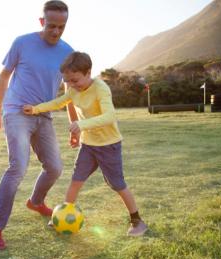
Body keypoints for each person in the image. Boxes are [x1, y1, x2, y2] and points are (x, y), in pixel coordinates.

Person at [23, 52, 148, 236]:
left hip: (108, 145)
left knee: (117, 184)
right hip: (88, 145)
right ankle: (63, 216)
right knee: (76, 180)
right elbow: (59, 102)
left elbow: (110, 116)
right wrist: (35, 109)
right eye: (68, 82)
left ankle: (137, 221)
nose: (71, 86)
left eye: (75, 80)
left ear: (88, 72)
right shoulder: (73, 90)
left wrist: (81, 125)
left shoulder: (101, 88)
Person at [0, 0, 74, 250]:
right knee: (18, 167)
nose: (56, 31)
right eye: (51, 26)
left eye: (62, 27)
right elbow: (3, 76)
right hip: (16, 112)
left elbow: (69, 90)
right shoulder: (22, 42)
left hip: (43, 115)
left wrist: (74, 124)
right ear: (41, 22)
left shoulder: (68, 53)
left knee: (55, 167)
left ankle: (36, 201)